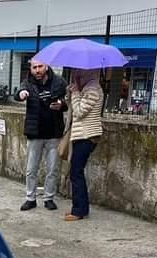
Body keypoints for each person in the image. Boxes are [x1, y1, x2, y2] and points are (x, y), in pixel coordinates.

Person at [15, 58, 67, 211]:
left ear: (46, 66)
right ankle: (30, 198)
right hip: (35, 132)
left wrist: (61, 105)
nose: (37, 70)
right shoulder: (28, 83)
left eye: (40, 66)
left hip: (53, 132)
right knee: (31, 169)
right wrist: (22, 94)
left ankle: (49, 197)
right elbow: (17, 94)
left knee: (52, 169)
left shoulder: (59, 81)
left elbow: (67, 102)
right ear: (30, 69)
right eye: (34, 67)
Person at [65, 68, 103, 221]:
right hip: (82, 135)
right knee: (76, 172)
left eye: (78, 72)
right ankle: (81, 208)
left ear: (88, 72)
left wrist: (75, 93)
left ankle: (79, 211)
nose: (75, 75)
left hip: (87, 136)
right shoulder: (87, 88)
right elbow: (73, 108)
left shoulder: (92, 89)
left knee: (76, 172)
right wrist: (71, 94)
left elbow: (80, 112)